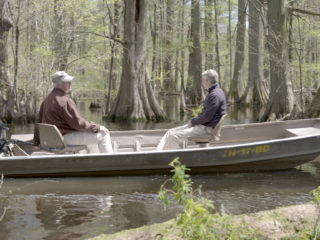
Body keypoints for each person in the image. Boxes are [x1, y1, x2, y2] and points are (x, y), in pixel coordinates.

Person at [33, 71, 113, 153]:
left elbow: (37, 122)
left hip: (53, 140)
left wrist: (36, 142)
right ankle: (111, 163)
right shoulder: (65, 100)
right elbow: (78, 124)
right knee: (104, 135)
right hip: (65, 138)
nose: (70, 83)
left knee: (91, 133)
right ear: (59, 84)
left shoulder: (46, 100)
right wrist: (98, 127)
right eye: (67, 82)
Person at [157, 69, 227, 151]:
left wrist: (193, 122)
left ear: (207, 81)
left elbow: (208, 116)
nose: (202, 82)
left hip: (207, 129)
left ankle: (164, 157)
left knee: (173, 136)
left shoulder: (215, 95)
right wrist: (194, 121)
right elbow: (206, 114)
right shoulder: (216, 92)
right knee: (170, 131)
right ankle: (156, 152)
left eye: (202, 80)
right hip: (203, 126)